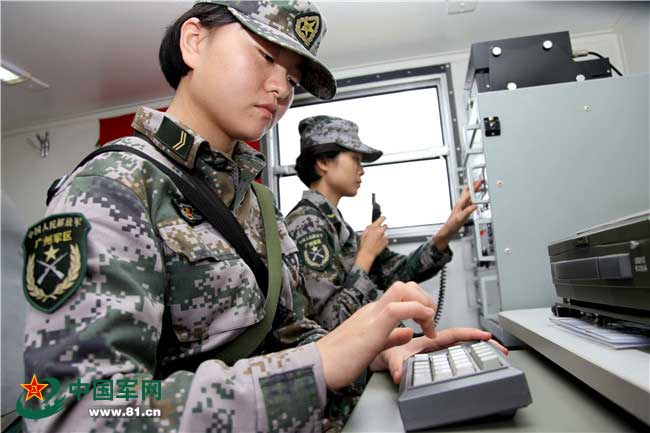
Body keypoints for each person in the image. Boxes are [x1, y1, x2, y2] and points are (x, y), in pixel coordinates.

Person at [19, 2, 503, 433]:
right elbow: (77, 412)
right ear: (194, 42)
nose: (280, 89)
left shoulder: (258, 203)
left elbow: (287, 332)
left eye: (292, 79)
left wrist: (372, 351)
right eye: (266, 56)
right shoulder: (112, 187)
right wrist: (318, 366)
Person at [286, 115, 480, 331]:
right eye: (355, 159)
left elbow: (398, 273)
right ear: (323, 162)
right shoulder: (308, 225)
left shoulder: (333, 223)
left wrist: (448, 231)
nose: (361, 170)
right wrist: (366, 255)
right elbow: (331, 324)